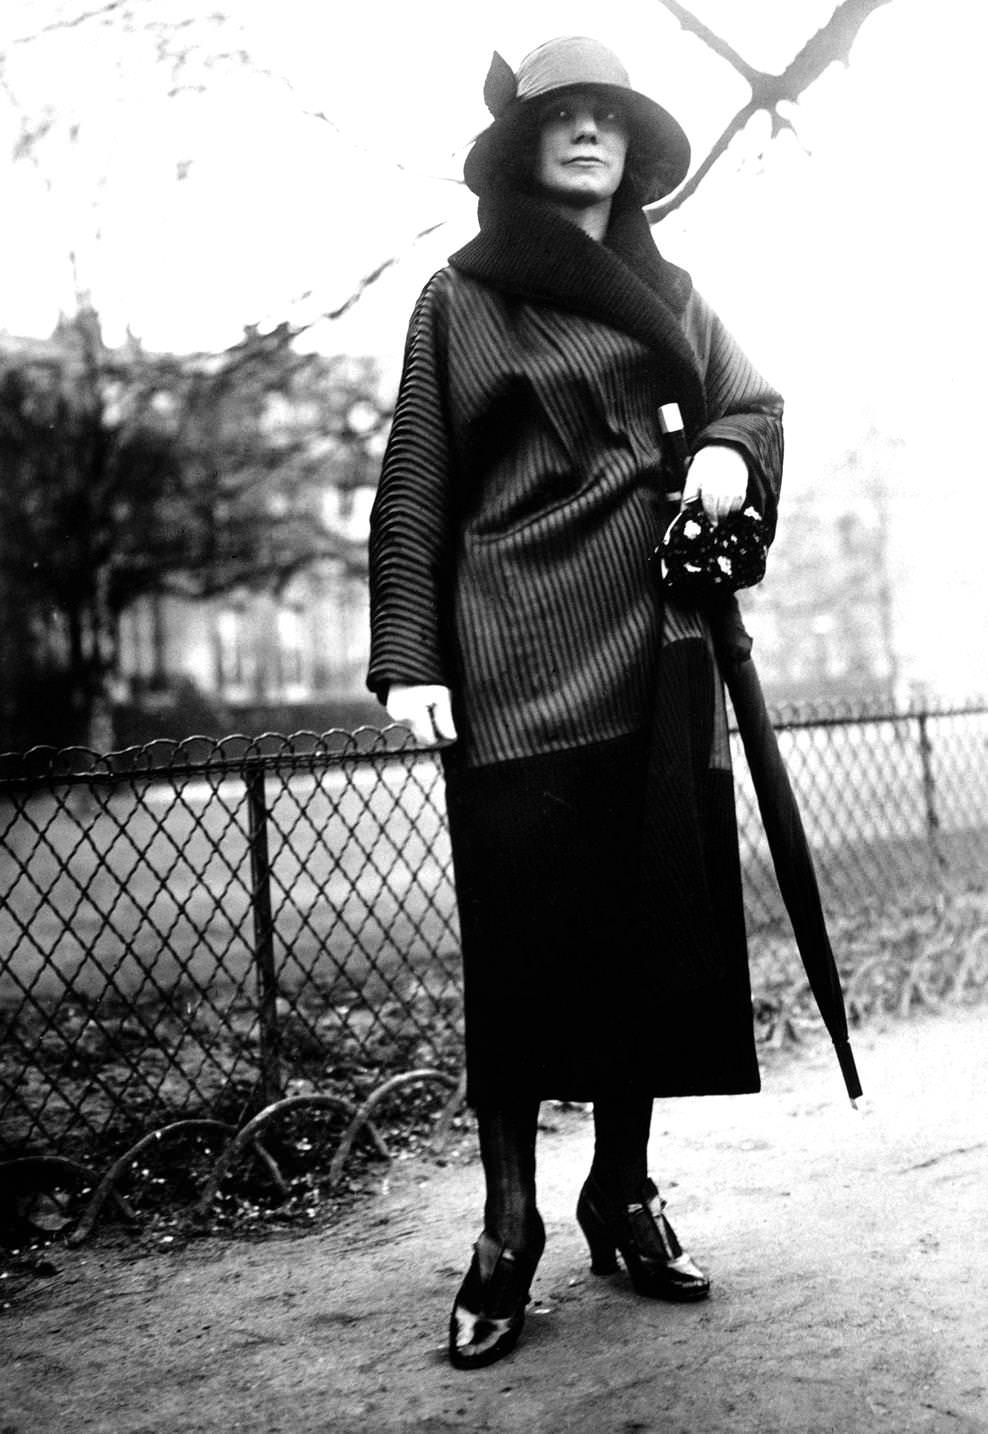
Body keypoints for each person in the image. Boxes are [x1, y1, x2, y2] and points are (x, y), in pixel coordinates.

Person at [366, 35, 784, 1369]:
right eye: (566, 115)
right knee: (523, 953)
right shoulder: (462, 296)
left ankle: (623, 1190)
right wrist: (414, 655)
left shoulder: (673, 289)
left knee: (640, 934)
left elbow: (755, 402)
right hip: (512, 655)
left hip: (654, 647)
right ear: (523, 143)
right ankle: (509, 1225)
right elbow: (417, 483)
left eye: (611, 115)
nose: (592, 131)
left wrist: (722, 455)